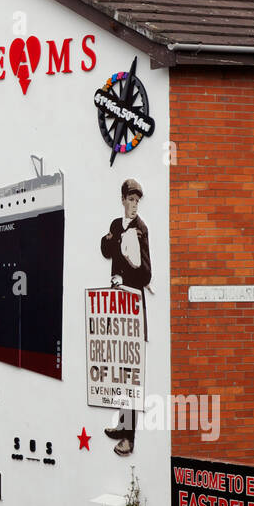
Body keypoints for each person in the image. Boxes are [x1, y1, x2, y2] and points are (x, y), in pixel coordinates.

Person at [100, 178, 151, 457]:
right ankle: (122, 424)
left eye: (137, 201)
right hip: (115, 306)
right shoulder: (115, 225)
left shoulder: (141, 229)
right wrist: (112, 240)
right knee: (118, 364)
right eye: (130, 200)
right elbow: (106, 251)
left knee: (130, 371)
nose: (134, 205)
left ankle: (129, 438)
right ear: (122, 200)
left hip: (131, 306)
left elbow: (146, 274)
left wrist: (130, 267)